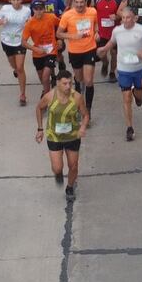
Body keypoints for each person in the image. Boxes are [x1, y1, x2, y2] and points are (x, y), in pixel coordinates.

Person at [97, 7, 142, 141]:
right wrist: (104, 49)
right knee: (126, 98)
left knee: (138, 95)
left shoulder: (141, 30)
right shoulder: (117, 30)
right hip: (123, 69)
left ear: (134, 18)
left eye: (128, 17)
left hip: (139, 69)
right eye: (123, 18)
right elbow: (112, 42)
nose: (125, 20)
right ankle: (129, 127)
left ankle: (137, 95)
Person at [35, 70, 89, 201]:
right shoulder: (50, 96)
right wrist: (40, 129)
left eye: (70, 83)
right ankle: (58, 173)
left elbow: (85, 115)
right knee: (57, 167)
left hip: (72, 136)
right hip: (54, 136)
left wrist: (82, 127)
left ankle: (70, 187)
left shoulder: (77, 97)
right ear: (58, 83)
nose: (68, 86)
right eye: (65, 83)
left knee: (73, 165)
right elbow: (39, 108)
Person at [57, 0, 99, 112]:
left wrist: (97, 33)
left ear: (86, 2)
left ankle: (88, 109)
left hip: (90, 49)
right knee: (79, 79)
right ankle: (78, 91)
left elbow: (96, 24)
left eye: (82, 2)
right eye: (77, 2)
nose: (79, 5)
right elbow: (58, 33)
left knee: (89, 80)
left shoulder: (92, 12)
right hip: (75, 51)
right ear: (73, 2)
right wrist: (73, 36)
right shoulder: (67, 15)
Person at [0, 0, 32, 106]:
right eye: (14, 0)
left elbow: (30, 22)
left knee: (20, 67)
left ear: (22, 0)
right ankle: (15, 70)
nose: (16, 2)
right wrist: (1, 21)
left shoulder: (27, 10)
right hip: (6, 41)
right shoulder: (5, 8)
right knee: (13, 65)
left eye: (18, 0)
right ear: (10, 0)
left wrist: (29, 25)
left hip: (20, 41)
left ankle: (23, 95)